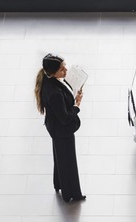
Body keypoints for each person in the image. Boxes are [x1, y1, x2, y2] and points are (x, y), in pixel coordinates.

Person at [34, 53, 86, 203]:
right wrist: (77, 104)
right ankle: (71, 193)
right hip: (62, 131)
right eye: (62, 69)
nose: (66, 71)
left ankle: (59, 183)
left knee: (60, 157)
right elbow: (65, 118)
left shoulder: (48, 82)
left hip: (54, 128)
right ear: (53, 72)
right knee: (68, 161)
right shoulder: (54, 93)